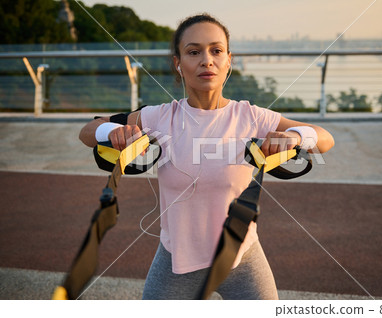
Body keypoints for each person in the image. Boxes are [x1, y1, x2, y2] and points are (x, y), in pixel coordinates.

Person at [79, 13, 334, 300]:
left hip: (242, 257)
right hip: (176, 260)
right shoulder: (159, 117)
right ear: (178, 63)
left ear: (228, 61)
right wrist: (115, 132)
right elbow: (89, 130)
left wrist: (295, 137)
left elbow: (324, 138)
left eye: (216, 50)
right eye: (193, 52)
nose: (206, 60)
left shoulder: (250, 116)